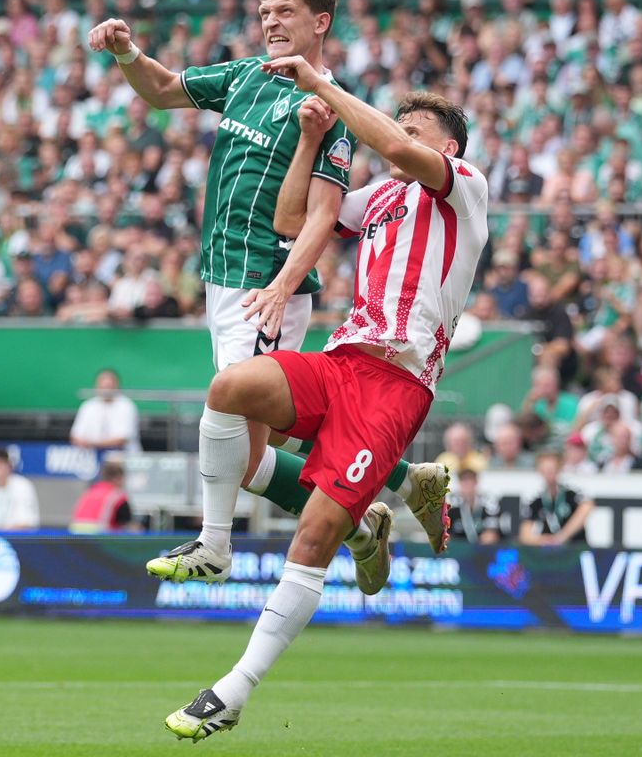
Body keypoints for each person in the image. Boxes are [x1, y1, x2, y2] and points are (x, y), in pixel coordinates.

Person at [161, 72, 489, 740]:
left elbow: (397, 148)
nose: (402, 134)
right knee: (231, 388)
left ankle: (233, 690)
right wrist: (310, 140)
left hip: (396, 386)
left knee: (312, 537)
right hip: (341, 362)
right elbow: (291, 220)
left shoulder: (464, 186)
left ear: (448, 146)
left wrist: (320, 86)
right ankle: (217, 544)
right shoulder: (381, 196)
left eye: (418, 126)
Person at [90, 0, 449, 562]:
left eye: (285, 12)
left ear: (320, 22)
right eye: (264, 14)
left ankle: (215, 546)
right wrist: (127, 51)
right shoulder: (243, 76)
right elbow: (159, 90)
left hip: (265, 283)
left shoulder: (327, 106)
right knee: (252, 452)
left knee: (229, 411)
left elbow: (321, 216)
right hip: (221, 279)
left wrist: (282, 286)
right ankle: (388, 503)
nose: (271, 23)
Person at [518, 449, 594, 547]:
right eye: (544, 469)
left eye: (551, 469)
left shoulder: (570, 493)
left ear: (559, 469)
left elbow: (587, 507)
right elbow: (525, 535)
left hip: (574, 548)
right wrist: (543, 540)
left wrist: (562, 537)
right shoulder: (535, 499)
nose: (548, 473)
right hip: (549, 552)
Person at [69, 368, 141, 454]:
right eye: (103, 386)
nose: (106, 390)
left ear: (117, 386)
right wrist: (85, 444)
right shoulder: (88, 406)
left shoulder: (126, 406)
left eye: (109, 386)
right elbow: (75, 436)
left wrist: (91, 444)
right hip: (91, 460)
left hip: (122, 459)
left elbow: (121, 439)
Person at [69, 459, 135, 534]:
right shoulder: (118, 497)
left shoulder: (89, 492)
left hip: (75, 539)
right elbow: (128, 525)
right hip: (99, 540)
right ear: (118, 478)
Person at [447, 468, 501, 546]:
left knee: (490, 538)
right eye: (464, 481)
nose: (467, 485)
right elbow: (444, 533)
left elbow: (492, 532)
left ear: (476, 482)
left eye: (470, 481)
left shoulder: (489, 503)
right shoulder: (452, 505)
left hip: (482, 548)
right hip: (458, 547)